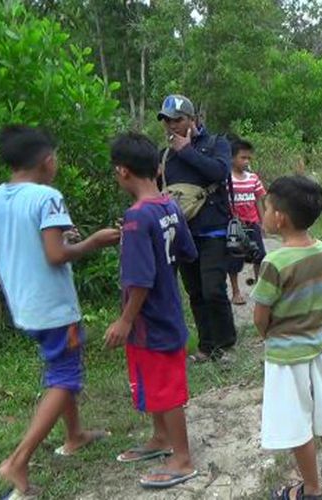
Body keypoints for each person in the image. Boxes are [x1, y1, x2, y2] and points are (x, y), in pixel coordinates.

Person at [0, 125, 119, 498]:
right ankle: (18, 461)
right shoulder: (47, 197)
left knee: (59, 367)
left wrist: (63, 238)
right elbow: (55, 255)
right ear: (47, 161)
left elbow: (25, 244)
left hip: (24, 303)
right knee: (65, 377)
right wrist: (93, 242)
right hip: (53, 307)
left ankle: (75, 434)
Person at [104, 132, 198, 489]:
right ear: (158, 168)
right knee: (155, 383)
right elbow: (186, 252)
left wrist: (125, 320)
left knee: (166, 388)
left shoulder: (135, 217)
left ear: (123, 172)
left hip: (150, 318)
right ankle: (160, 439)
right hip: (167, 309)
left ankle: (183, 456)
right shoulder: (169, 205)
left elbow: (140, 279)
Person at [251, 176, 322, 500]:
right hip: (317, 346)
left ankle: (310, 490)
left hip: (286, 355)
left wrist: (267, 335)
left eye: (265, 207)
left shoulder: (274, 262)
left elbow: (260, 315)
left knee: (297, 423)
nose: (263, 212)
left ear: (279, 217)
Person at [157, 94, 236, 362]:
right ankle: (206, 346)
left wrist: (187, 152)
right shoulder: (165, 156)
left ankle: (225, 345)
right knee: (196, 292)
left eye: (178, 120)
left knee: (214, 288)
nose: (172, 127)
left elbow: (220, 173)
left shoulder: (217, 144)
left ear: (193, 119)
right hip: (183, 232)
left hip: (213, 228)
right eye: (167, 122)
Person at [226, 137, 267, 305]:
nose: (246, 161)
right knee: (235, 258)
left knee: (260, 255)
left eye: (249, 158)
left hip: (252, 224)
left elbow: (259, 200)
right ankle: (236, 291)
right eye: (243, 157)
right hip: (236, 227)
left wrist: (263, 222)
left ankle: (260, 289)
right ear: (232, 158)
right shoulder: (227, 179)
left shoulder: (253, 178)